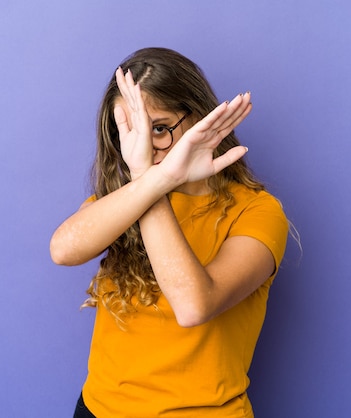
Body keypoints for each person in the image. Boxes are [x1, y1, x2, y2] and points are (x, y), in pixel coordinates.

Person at [50, 47, 290, 418]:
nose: (142, 149)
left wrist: (151, 179)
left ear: (199, 117)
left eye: (159, 129)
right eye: (131, 132)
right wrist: (154, 181)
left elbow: (194, 305)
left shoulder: (257, 211)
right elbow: (63, 250)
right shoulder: (124, 198)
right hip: (99, 409)